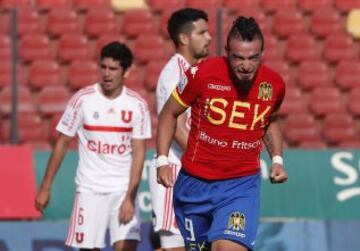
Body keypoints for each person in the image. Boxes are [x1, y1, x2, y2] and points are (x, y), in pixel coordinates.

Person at [156, 16, 288, 251]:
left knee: (226, 248)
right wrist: (162, 161)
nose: (246, 66)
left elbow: (271, 120)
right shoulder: (202, 74)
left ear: (262, 53)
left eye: (253, 58)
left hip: (240, 185)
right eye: (238, 58)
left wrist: (276, 159)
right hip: (194, 184)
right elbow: (168, 114)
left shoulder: (273, 84)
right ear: (227, 52)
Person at [35, 41, 151, 251]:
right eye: (103, 67)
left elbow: (139, 153)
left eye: (113, 69)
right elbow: (62, 143)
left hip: (122, 190)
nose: (106, 74)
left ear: (126, 71)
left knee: (127, 247)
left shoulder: (137, 105)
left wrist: (129, 198)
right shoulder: (82, 100)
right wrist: (45, 187)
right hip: (90, 190)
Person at [149, 8, 212, 251]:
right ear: (184, 38)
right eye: (202, 32)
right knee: (177, 246)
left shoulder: (196, 71)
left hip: (192, 173)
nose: (208, 37)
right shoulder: (175, 74)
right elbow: (177, 128)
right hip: (175, 174)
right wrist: (210, 163)